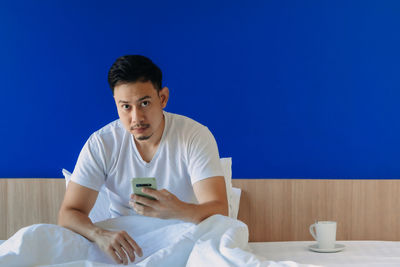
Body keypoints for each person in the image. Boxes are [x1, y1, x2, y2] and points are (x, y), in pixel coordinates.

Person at [58, 55, 228, 265]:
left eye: (144, 103)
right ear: (116, 104)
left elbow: (220, 210)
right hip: (122, 243)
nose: (136, 117)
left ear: (163, 98)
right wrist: (98, 234)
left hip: (181, 237)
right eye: (126, 107)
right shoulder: (102, 143)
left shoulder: (194, 136)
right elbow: (68, 214)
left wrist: (178, 210)